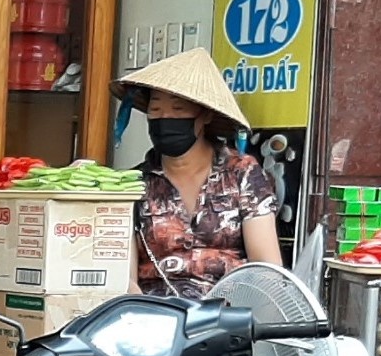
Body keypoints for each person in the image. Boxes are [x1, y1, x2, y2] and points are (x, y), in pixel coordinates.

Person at [114, 47, 282, 298]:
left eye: (178, 110)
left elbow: (267, 269)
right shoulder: (134, 185)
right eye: (156, 109)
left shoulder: (242, 174)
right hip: (155, 318)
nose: (165, 117)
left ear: (204, 115)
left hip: (228, 317)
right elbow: (124, 278)